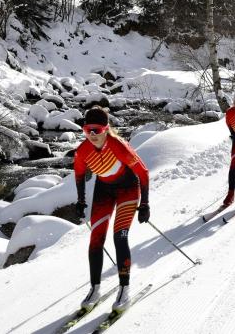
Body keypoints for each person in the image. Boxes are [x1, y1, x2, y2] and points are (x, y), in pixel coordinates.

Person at [73, 106, 150, 313]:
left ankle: (124, 289)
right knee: (96, 239)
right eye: (87, 130)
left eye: (96, 130)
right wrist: (80, 201)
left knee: (119, 237)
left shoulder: (118, 146)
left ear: (106, 129)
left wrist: (145, 204)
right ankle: (95, 289)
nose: (92, 135)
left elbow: (143, 173)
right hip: (103, 191)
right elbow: (79, 175)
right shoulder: (83, 151)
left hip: (127, 190)